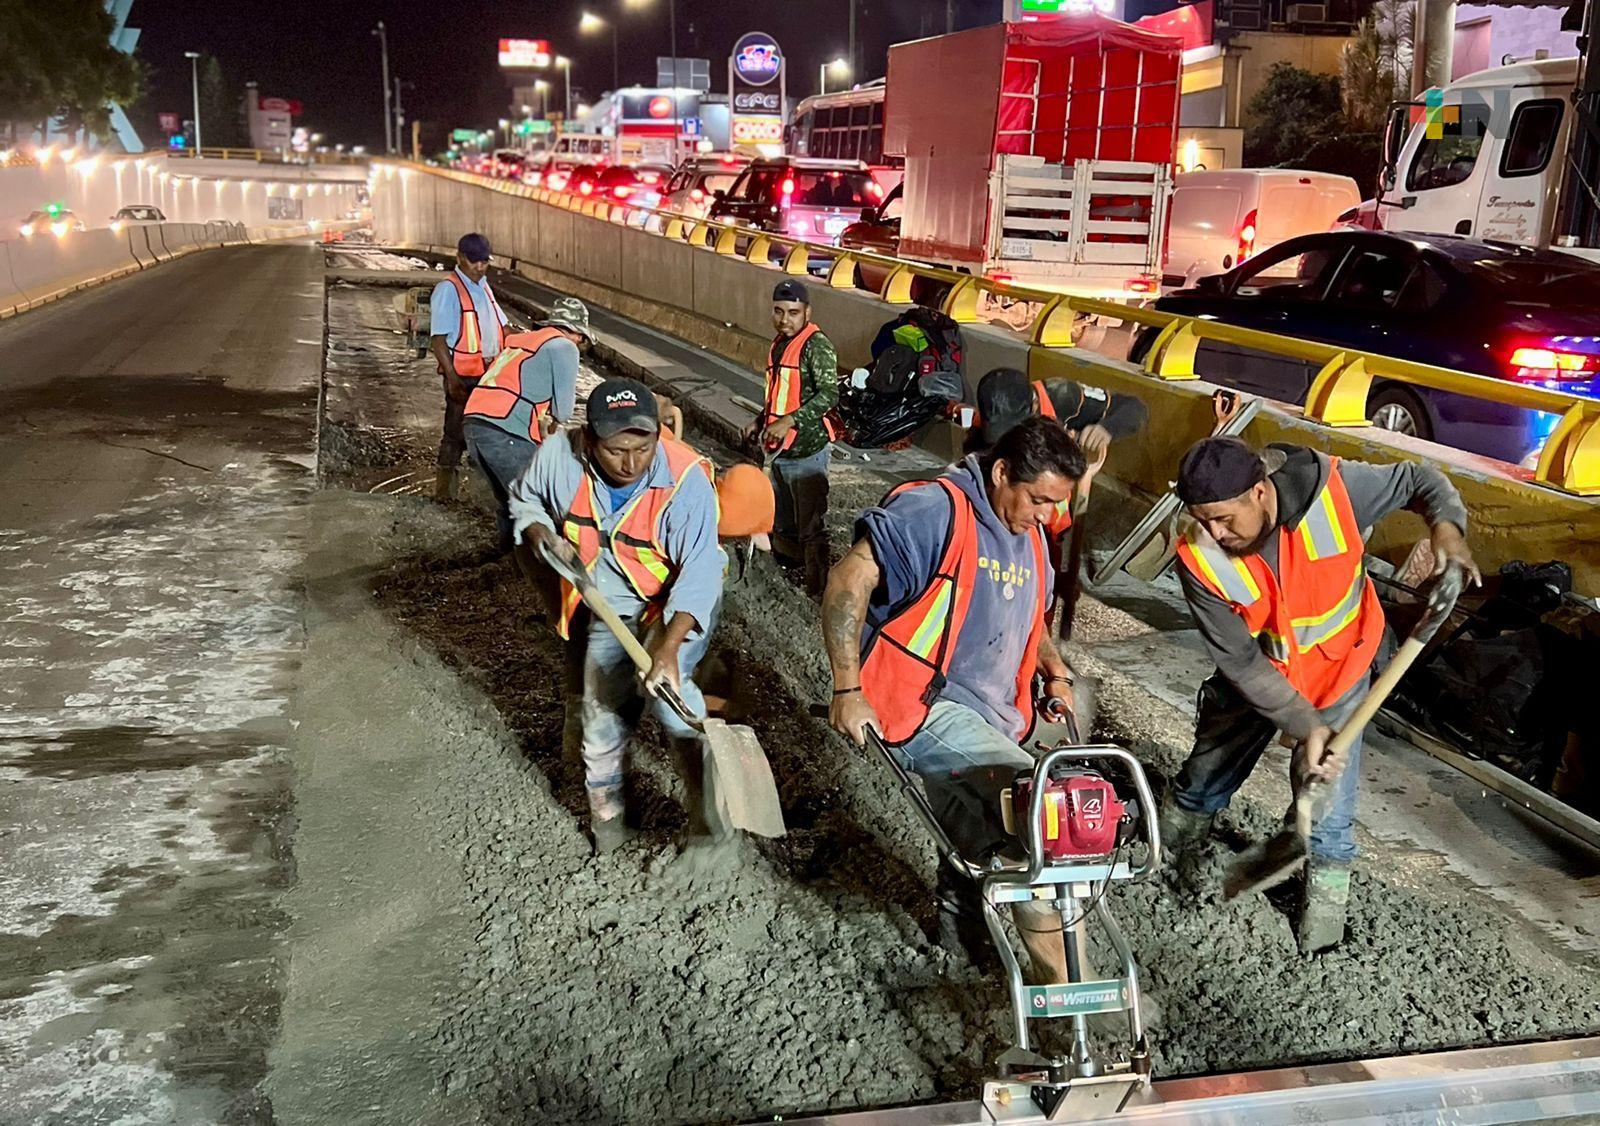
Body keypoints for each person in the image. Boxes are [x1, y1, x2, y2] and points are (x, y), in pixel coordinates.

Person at [1166, 436, 1480, 952]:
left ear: (1261, 492)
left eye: (1224, 518)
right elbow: (1240, 661)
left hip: (1339, 671)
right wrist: (1304, 725)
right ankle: (1174, 857)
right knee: (1204, 776)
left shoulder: (1333, 493)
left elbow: (1421, 479)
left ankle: (1323, 937)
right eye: (1204, 519)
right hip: (1257, 680)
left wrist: (1447, 527)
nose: (1215, 533)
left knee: (1329, 816)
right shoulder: (1196, 554)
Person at [822, 416, 1087, 980]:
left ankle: (960, 946)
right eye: (1038, 499)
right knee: (1047, 819)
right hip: (922, 703)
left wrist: (1054, 670)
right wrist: (847, 688)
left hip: (991, 714)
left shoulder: (1032, 536)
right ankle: (1072, 994)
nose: (1047, 516)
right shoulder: (936, 510)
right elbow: (848, 579)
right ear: (1000, 474)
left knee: (976, 835)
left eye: (1055, 505)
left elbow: (1032, 615)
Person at [509, 378, 723, 853]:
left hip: (673, 605)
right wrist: (540, 530)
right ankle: (609, 831)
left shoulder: (686, 481)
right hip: (612, 604)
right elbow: (523, 499)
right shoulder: (559, 458)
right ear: (590, 441)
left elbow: (701, 572)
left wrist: (667, 648)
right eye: (616, 451)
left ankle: (709, 825)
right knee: (603, 717)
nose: (631, 464)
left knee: (674, 702)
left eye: (643, 449)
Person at [463, 297, 593, 550]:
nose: (579, 342)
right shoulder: (564, 347)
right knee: (536, 499)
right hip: (505, 427)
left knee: (509, 500)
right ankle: (547, 569)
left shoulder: (522, 340)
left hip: (475, 423)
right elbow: (563, 411)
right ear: (575, 331)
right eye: (581, 337)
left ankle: (507, 562)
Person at [967, 366, 1149, 539]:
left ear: (1034, 406)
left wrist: (1107, 428)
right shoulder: (981, 430)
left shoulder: (1063, 396)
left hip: (1053, 521)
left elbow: (1134, 408)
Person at [749, 278, 840, 596]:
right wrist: (760, 421)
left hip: (807, 451)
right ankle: (789, 576)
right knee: (784, 520)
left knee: (811, 525)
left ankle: (818, 590)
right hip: (780, 451)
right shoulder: (779, 344)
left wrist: (789, 421)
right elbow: (778, 394)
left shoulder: (817, 346)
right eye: (778, 311)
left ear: (806, 312)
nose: (784, 318)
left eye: (792, 312)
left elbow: (829, 394)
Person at [429, 232, 509, 500]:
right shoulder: (448, 290)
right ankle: (444, 495)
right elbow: (438, 341)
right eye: (474, 261)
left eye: (484, 261)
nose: (479, 267)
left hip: (488, 377)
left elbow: (503, 326)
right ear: (460, 258)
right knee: (454, 435)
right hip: (462, 377)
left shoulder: (484, 287)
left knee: (484, 434)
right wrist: (452, 380)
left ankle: (480, 496)